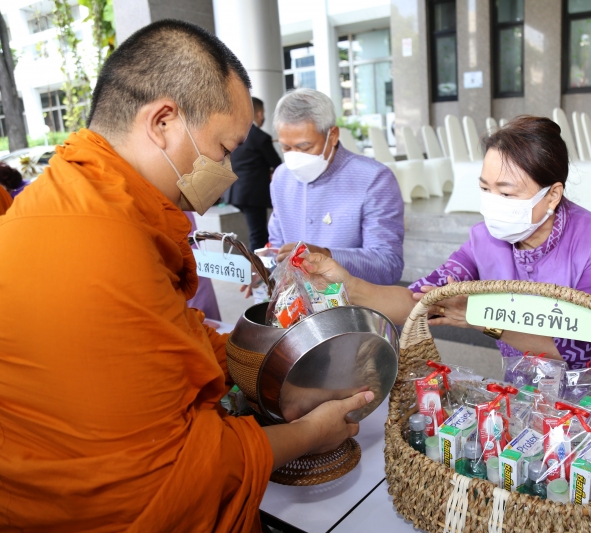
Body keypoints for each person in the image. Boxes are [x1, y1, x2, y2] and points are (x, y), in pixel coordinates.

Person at [0, 20, 371, 532]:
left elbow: (170, 351)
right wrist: (312, 434)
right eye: (223, 149)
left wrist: (278, 373)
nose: (230, 173)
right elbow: (177, 472)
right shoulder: (110, 247)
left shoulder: (57, 196)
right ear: (164, 123)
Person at [303, 116, 591, 411]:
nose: (493, 203)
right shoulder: (484, 238)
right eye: (485, 188)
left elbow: (578, 346)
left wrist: (483, 320)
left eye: (506, 193)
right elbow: (420, 301)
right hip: (531, 379)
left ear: (552, 195)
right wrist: (345, 284)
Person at [268, 88, 404, 285]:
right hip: (295, 305)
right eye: (286, 148)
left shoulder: (374, 179)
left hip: (352, 306)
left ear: (332, 135)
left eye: (305, 147)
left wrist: (326, 255)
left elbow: (388, 265)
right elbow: (277, 246)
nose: (295, 157)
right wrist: (264, 269)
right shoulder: (281, 177)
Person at [227, 96, 283, 251]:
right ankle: (257, 272)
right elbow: (278, 165)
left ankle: (258, 268)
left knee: (257, 233)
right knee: (258, 235)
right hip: (253, 194)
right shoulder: (260, 137)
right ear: (258, 114)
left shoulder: (233, 134)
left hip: (235, 192)